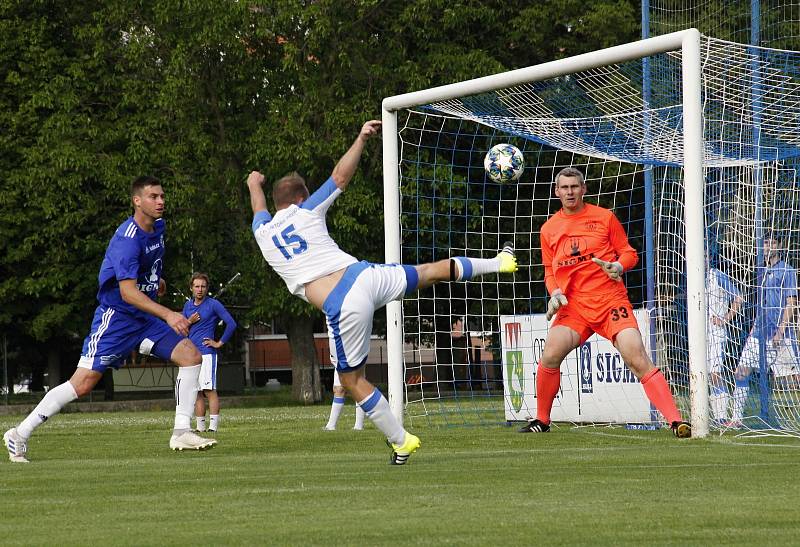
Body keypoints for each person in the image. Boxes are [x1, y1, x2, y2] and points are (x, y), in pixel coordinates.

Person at [247, 120, 517, 464]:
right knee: (428, 272)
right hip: (366, 275)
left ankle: (401, 440)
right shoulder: (306, 210)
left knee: (351, 379)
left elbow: (258, 207)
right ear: (301, 196)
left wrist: (253, 183)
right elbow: (340, 178)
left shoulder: (263, 232)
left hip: (342, 303)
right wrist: (360, 138)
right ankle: (498, 262)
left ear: (277, 202)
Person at [3, 176, 216, 463]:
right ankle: (19, 434)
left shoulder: (159, 227)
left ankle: (181, 432)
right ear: (137, 201)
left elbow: (143, 272)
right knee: (82, 384)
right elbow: (127, 293)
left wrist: (156, 281)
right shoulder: (126, 241)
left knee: (191, 355)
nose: (161, 201)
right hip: (117, 319)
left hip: (144, 318)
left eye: (162, 196)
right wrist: (168, 313)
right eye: (153, 196)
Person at [518, 167, 691, 437]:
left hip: (610, 301)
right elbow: (550, 270)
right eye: (564, 188)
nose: (570, 192)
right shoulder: (549, 229)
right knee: (550, 354)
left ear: (584, 189)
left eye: (574, 186)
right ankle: (542, 420)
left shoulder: (604, 217)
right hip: (573, 306)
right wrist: (554, 293)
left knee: (636, 356)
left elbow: (629, 253)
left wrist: (619, 267)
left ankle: (676, 422)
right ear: (556, 192)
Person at [730, 232, 799, 426]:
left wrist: (781, 330)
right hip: (759, 332)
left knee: (794, 379)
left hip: (780, 334)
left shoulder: (787, 270)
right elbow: (760, 304)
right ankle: (736, 419)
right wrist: (753, 328)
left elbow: (791, 302)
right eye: (765, 242)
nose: (768, 246)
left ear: (779, 246)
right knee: (741, 372)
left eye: (772, 242)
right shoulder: (760, 271)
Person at [183, 272, 237, 433]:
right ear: (191, 288)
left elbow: (231, 324)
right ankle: (200, 428)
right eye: (197, 286)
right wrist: (189, 321)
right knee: (196, 392)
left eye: (203, 286)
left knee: (208, 390)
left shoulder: (214, 304)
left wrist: (218, 343)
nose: (200, 289)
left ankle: (213, 427)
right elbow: (182, 329)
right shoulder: (187, 306)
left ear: (207, 288)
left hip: (206, 353)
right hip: (191, 356)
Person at [706, 265, 743, 424]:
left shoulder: (717, 275)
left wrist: (725, 318)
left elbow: (739, 297)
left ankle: (721, 417)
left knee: (715, 374)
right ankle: (716, 416)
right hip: (701, 333)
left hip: (716, 331)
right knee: (707, 374)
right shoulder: (696, 277)